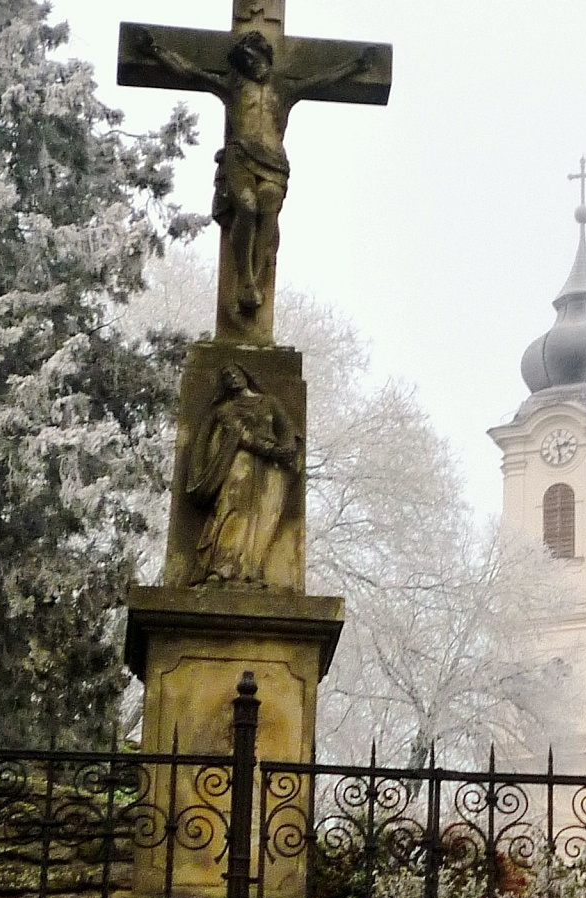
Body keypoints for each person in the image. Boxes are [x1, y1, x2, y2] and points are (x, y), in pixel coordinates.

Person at [138, 29, 375, 319]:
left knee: (268, 207)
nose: (253, 67)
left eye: (256, 61)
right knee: (247, 208)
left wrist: (354, 66)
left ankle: (256, 277)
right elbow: (193, 73)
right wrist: (156, 52)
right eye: (247, 63)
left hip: (274, 162)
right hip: (241, 157)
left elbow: (321, 80)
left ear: (266, 59)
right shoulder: (234, 88)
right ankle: (246, 279)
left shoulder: (283, 89)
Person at [185, 365, 300, 586]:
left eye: (236, 373)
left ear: (246, 375)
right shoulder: (225, 409)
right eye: (227, 376)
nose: (232, 378)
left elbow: (287, 430)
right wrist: (272, 450)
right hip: (240, 463)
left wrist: (288, 449)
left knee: (265, 515)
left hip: (271, 470)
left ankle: (251, 570)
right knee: (232, 509)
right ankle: (221, 567)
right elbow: (241, 435)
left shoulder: (269, 402)